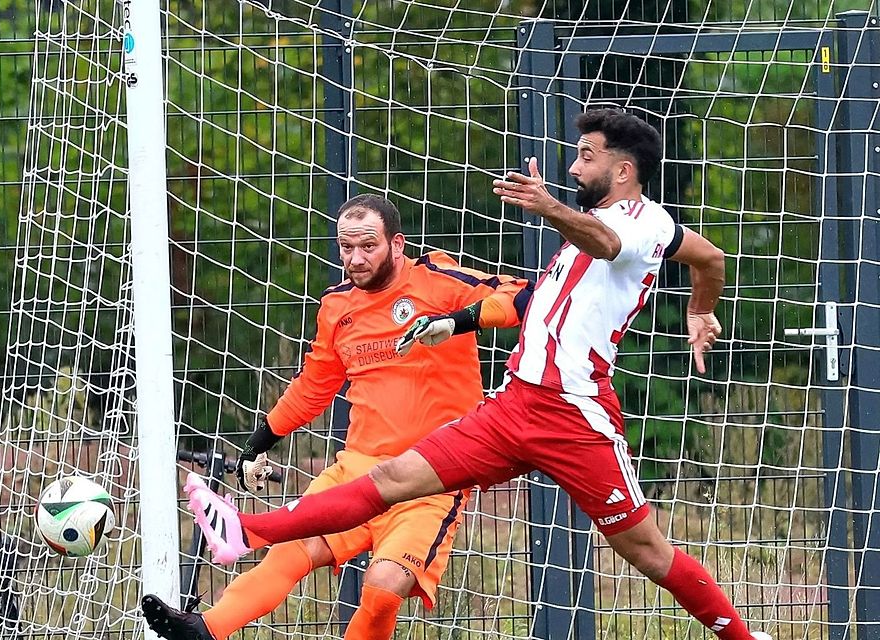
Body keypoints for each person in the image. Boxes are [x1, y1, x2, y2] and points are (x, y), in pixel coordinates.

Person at [158, 108, 773, 640]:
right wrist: (699, 309)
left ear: (623, 169)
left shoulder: (640, 222)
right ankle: (245, 530)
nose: (574, 166)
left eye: (586, 157)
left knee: (645, 551)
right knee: (395, 475)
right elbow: (708, 258)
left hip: (575, 415)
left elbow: (608, 245)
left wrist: (546, 208)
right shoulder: (342, 307)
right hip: (514, 405)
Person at [141, 194, 530, 640]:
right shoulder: (337, 306)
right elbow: (314, 385)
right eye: (346, 248)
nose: (356, 258)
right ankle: (205, 630)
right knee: (288, 555)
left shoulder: (438, 279)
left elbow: (520, 295)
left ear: (396, 244)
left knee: (383, 589)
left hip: (431, 478)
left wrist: (459, 321)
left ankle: (244, 536)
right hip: (356, 472)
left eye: (368, 246)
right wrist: (257, 444)